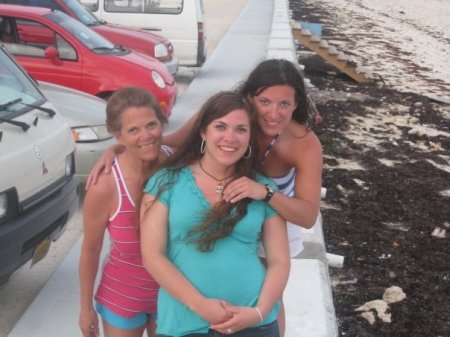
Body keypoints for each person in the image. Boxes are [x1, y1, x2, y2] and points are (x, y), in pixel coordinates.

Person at [86, 59, 323, 336]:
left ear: (296, 104)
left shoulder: (301, 144)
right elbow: (166, 140)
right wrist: (118, 148)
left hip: (281, 207)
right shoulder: (230, 117)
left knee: (270, 292)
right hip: (188, 309)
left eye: (284, 104)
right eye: (265, 101)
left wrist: (266, 192)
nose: (273, 113)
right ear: (250, 98)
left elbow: (306, 218)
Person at [140, 91, 290, 336]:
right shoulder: (167, 180)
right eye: (220, 126)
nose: (230, 138)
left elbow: (279, 260)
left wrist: (259, 312)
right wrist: (201, 306)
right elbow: (152, 256)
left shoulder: (262, 188)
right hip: (185, 322)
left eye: (241, 129)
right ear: (203, 131)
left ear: (250, 137)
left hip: (254, 323)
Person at [79, 87, 173, 337]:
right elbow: (91, 249)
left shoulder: (179, 165)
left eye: (151, 125)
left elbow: (209, 120)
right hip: (123, 298)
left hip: (175, 296)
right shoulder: (105, 185)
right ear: (117, 136)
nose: (146, 136)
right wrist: (85, 308)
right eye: (133, 130)